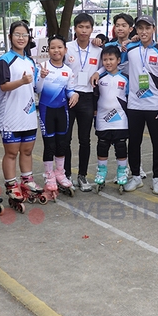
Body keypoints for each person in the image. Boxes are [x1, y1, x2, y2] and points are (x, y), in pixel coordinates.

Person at [0, 21, 39, 213]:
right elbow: (3, 86)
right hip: (11, 116)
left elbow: (35, 87)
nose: (21, 38)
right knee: (12, 153)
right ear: (10, 37)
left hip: (29, 114)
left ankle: (27, 180)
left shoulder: (31, 62)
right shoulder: (4, 60)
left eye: (24, 35)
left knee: (27, 151)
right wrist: (21, 81)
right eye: (17, 34)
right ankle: (11, 185)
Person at [124, 15, 158, 194]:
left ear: (153, 29)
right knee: (134, 142)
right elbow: (113, 62)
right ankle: (136, 176)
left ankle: (157, 177)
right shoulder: (129, 49)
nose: (144, 32)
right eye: (140, 28)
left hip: (155, 105)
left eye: (147, 28)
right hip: (134, 105)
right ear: (135, 30)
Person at [36, 36, 79, 199]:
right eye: (52, 48)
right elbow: (37, 88)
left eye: (59, 47)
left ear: (65, 50)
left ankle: (60, 173)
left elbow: (70, 90)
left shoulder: (68, 71)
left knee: (62, 143)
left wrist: (74, 95)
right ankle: (49, 175)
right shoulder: (43, 66)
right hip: (46, 111)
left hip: (62, 111)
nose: (56, 50)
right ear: (48, 50)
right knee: (50, 145)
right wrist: (42, 77)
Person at [64, 13, 103, 191]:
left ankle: (82, 176)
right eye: (80, 27)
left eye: (87, 27)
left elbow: (107, 63)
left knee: (85, 140)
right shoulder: (67, 47)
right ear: (75, 28)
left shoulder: (98, 49)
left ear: (92, 29)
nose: (84, 31)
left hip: (87, 97)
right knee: (66, 139)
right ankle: (66, 175)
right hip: (69, 96)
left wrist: (99, 72)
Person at [93, 45, 130, 191]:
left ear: (118, 60)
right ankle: (101, 172)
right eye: (105, 60)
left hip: (120, 119)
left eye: (111, 59)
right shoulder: (99, 78)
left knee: (121, 147)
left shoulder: (125, 78)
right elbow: (94, 97)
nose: (108, 62)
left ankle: (122, 172)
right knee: (102, 146)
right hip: (102, 119)